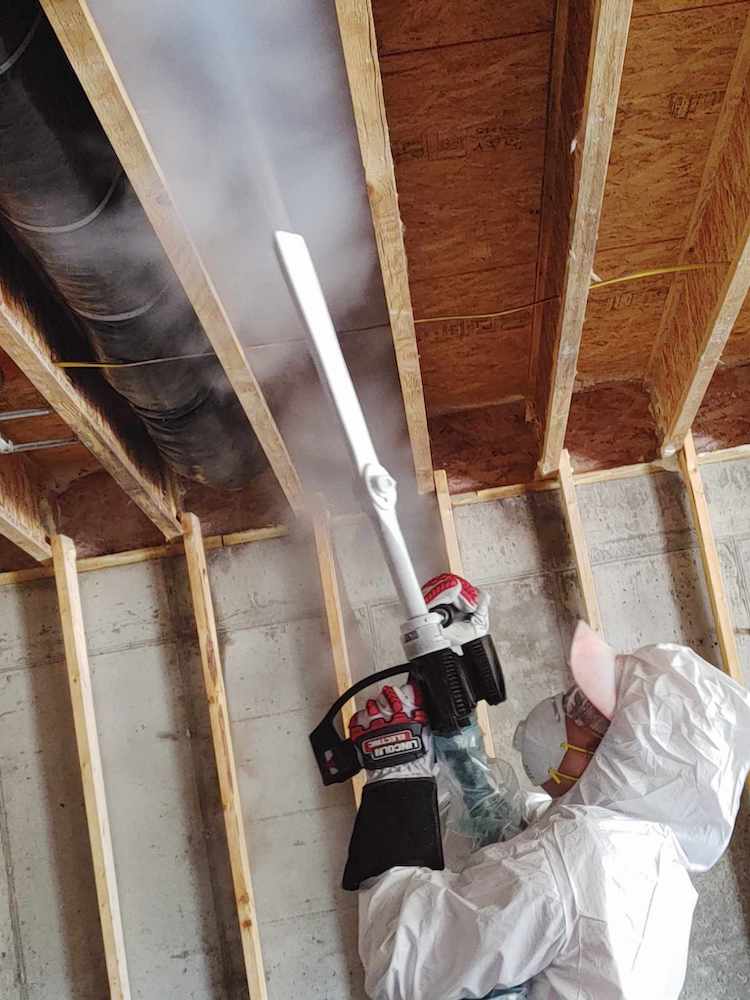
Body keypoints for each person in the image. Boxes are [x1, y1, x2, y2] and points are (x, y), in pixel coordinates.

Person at [343, 573, 750, 1000]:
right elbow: (497, 829)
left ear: (628, 757)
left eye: (581, 709)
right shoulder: (646, 856)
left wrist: (396, 773)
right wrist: (453, 714)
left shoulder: (572, 858)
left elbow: (404, 965)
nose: (562, 710)